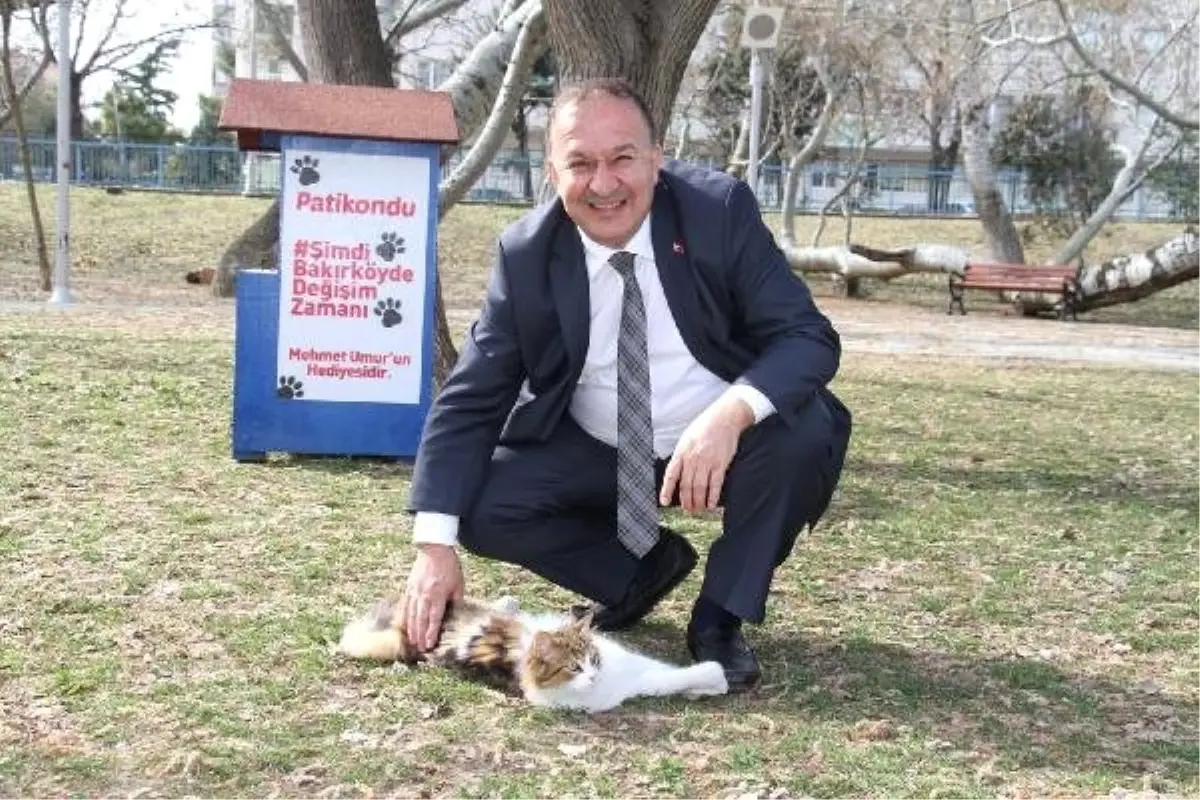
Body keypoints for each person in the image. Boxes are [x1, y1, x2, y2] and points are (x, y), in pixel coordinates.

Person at [399, 77, 851, 693]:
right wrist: (433, 548)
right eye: (580, 163)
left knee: (805, 432)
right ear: (552, 173)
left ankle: (720, 616)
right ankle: (640, 573)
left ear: (656, 158)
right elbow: (472, 398)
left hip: (725, 436)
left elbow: (807, 336)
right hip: (599, 447)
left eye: (623, 158)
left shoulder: (717, 212)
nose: (604, 183)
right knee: (479, 503)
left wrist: (730, 415)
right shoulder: (527, 254)